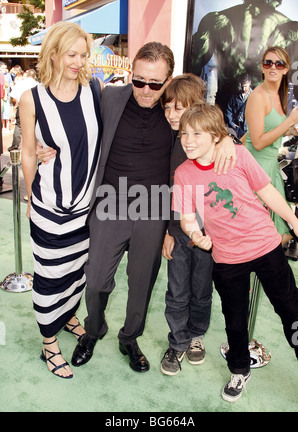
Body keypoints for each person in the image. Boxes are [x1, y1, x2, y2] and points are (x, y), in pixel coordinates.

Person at [70, 43, 237, 373]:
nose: (145, 90)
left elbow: (210, 125)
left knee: (142, 283)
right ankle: (93, 330)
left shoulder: (177, 112)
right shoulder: (110, 97)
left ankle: (129, 338)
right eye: (139, 80)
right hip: (110, 202)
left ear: (167, 80)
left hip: (154, 207)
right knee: (97, 280)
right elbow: (74, 123)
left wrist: (227, 137)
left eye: (154, 84)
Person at [173, 102, 298, 402]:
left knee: (292, 310)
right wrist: (195, 234)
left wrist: (294, 221)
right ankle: (240, 369)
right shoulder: (183, 173)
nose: (188, 140)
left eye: (196, 134)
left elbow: (267, 190)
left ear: (217, 135)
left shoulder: (239, 155)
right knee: (234, 319)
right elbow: (186, 216)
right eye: (183, 134)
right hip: (227, 259)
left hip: (266, 247)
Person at [19, 21, 103, 379]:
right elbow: (26, 152)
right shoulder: (31, 98)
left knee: (77, 273)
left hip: (86, 209)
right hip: (50, 207)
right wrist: (29, 195)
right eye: (72, 54)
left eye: (83, 55)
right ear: (53, 53)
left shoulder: (95, 89)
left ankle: (68, 316)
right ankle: (48, 343)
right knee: (51, 276)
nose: (79, 61)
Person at [160, 74, 213, 376]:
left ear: (196, 106)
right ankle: (177, 341)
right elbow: (168, 190)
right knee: (177, 289)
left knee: (202, 289)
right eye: (168, 108)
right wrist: (169, 230)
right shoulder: (168, 140)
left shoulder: (214, 141)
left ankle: (196, 336)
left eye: (179, 108)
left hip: (207, 233)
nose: (172, 115)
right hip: (179, 232)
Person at [245, 46, 298, 245]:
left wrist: (290, 131)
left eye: (279, 63)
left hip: (269, 168)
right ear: (262, 67)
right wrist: (289, 121)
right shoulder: (258, 96)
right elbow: (258, 142)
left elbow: (259, 132)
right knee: (259, 236)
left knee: (273, 236)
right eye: (268, 63)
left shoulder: (277, 95)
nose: (273, 67)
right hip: (256, 168)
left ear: (286, 69)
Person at [8, 69, 38, 152]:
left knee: (19, 126)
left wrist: (16, 105)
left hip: (21, 106)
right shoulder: (37, 84)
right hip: (35, 108)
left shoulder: (20, 83)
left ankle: (17, 146)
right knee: (33, 127)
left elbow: (13, 96)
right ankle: (31, 146)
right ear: (34, 76)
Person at [225, 73, 252, 139]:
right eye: (242, 86)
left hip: (248, 129)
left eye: (245, 86)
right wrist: (232, 123)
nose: (243, 88)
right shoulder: (234, 96)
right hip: (236, 127)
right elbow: (228, 110)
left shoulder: (255, 97)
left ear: (249, 83)